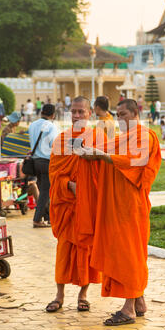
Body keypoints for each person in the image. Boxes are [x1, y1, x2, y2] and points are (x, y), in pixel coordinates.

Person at [78, 99, 161, 325]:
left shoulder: (146, 135)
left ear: (136, 113)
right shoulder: (119, 139)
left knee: (129, 253)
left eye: (123, 114)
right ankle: (139, 302)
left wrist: (101, 155)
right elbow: (107, 150)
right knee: (124, 252)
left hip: (130, 207)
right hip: (115, 206)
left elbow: (135, 160)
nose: (120, 118)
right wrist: (91, 153)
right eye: (118, 114)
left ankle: (128, 310)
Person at [46, 96, 104, 313]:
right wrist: (68, 185)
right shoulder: (62, 140)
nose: (77, 115)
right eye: (74, 112)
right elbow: (54, 172)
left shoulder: (99, 138)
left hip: (87, 205)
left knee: (86, 250)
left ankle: (83, 295)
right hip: (67, 205)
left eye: (81, 111)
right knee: (63, 250)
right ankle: (59, 295)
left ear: (90, 113)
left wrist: (89, 189)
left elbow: (104, 171)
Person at [29, 103, 58, 228]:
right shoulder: (52, 126)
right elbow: (54, 144)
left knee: (43, 190)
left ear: (41, 112)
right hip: (47, 161)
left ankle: (48, 217)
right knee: (46, 192)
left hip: (35, 162)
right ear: (53, 115)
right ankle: (37, 219)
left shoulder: (32, 125)